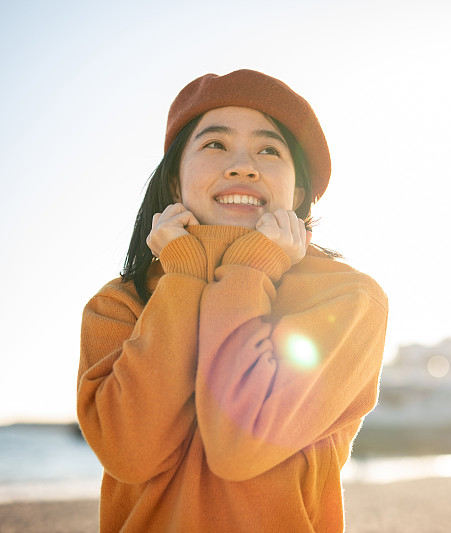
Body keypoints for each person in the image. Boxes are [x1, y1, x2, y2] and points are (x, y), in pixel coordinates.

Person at [77, 69, 389, 532]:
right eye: (215, 145)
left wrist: (249, 269)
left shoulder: (346, 298)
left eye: (269, 149)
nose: (243, 166)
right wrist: (184, 275)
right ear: (175, 184)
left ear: (298, 192)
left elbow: (239, 445)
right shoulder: (119, 304)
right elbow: (130, 452)